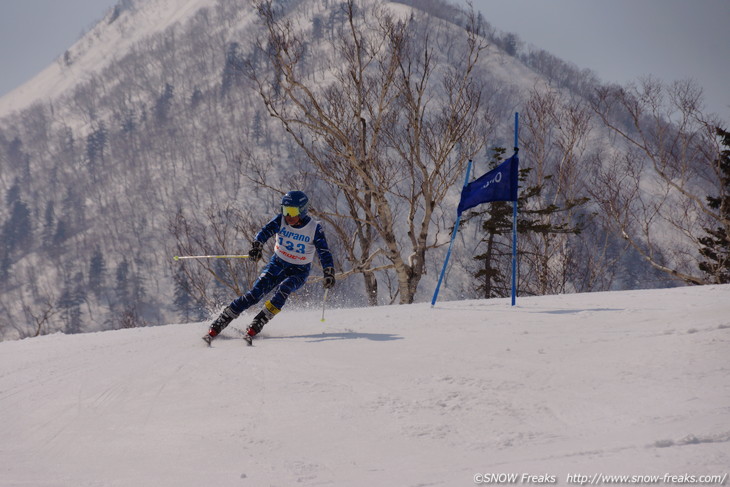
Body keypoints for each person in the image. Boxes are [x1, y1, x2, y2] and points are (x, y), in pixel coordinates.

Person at [203, 190, 335, 345]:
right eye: (285, 210)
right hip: (277, 264)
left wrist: (329, 271)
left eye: (292, 211)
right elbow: (264, 232)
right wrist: (257, 245)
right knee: (255, 294)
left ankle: (259, 322)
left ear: (303, 210)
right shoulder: (281, 220)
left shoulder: (314, 228)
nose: (288, 216)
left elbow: (324, 252)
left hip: (299, 271)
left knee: (285, 288)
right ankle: (220, 322)